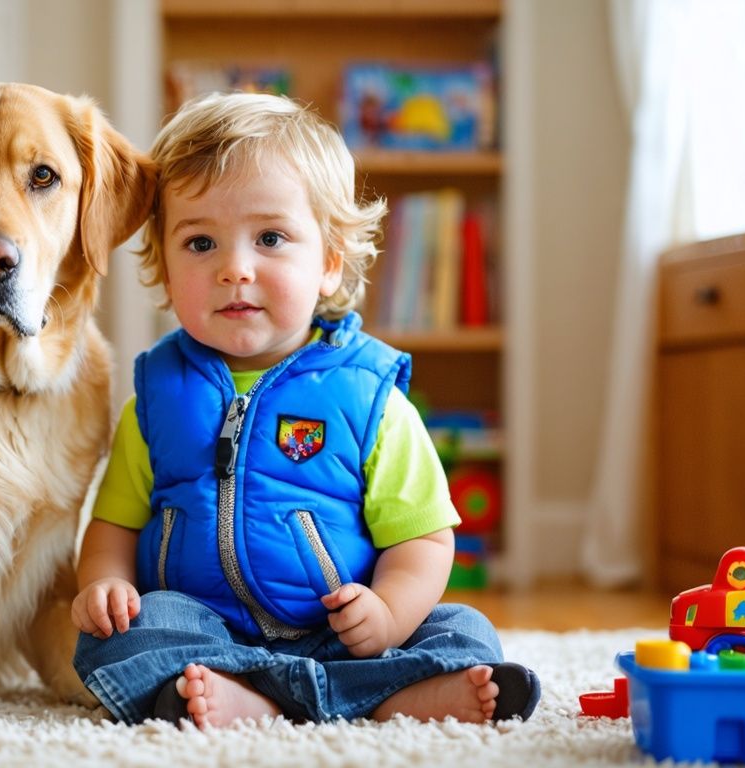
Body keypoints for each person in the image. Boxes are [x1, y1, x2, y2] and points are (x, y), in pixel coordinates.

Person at [70, 92, 540, 729]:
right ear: (163, 261)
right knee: (122, 632)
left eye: (270, 238)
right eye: (201, 243)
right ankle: (318, 699)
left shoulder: (369, 396)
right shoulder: (156, 396)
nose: (235, 269)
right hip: (206, 635)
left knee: (463, 630)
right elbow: (115, 527)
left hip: (342, 636)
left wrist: (389, 614)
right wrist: (104, 585)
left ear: (328, 263)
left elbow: (424, 538)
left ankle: (315, 694)